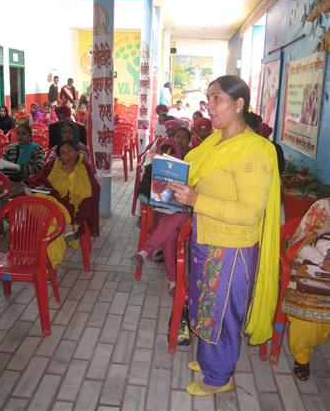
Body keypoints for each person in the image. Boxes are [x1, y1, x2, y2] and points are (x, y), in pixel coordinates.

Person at [168, 75, 280, 396]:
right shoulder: (216, 141)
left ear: (239, 103)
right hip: (208, 237)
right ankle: (208, 359)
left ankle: (219, 377)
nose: (209, 106)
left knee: (223, 313)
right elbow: (198, 174)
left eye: (217, 99)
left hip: (232, 248)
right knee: (205, 304)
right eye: (208, 98)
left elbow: (250, 212)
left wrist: (197, 200)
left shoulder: (254, 152)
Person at [131, 138, 191, 294]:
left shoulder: (187, 171)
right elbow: (142, 190)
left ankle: (145, 252)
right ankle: (172, 281)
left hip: (183, 216)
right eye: (164, 153)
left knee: (177, 215)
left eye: (172, 154)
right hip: (162, 216)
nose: (167, 156)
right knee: (169, 237)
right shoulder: (151, 168)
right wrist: (149, 198)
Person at [281, 198, 330, 382]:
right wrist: (322, 260)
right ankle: (302, 355)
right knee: (308, 311)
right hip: (311, 268)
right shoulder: (323, 208)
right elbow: (298, 245)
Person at [38, 140, 100, 268]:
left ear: (77, 151)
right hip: (55, 204)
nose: (68, 155)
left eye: (71, 151)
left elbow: (88, 192)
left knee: (51, 226)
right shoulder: (54, 165)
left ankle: (51, 266)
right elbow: (47, 183)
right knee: (40, 199)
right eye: (63, 153)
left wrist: (71, 174)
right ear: (59, 156)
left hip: (73, 207)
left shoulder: (83, 166)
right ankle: (49, 265)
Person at [0, 124, 45, 195]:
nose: (20, 136)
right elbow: (1, 165)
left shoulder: (36, 148)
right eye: (18, 133)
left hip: (26, 182)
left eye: (23, 133)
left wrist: (19, 168)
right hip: (8, 179)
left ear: (30, 136)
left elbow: (39, 167)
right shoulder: (10, 147)